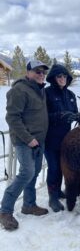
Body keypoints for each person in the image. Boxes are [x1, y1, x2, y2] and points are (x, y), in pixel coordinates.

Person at [0, 59, 49, 231]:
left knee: (34, 172)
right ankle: (5, 210)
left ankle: (29, 205)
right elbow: (12, 118)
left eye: (43, 72)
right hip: (25, 141)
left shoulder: (40, 90)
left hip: (39, 141)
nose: (41, 75)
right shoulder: (19, 90)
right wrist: (29, 139)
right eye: (37, 71)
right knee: (27, 172)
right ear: (28, 73)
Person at [45, 64, 80, 212]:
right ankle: (53, 196)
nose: (62, 79)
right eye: (59, 76)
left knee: (62, 167)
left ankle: (59, 191)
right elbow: (42, 116)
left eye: (65, 76)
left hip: (66, 139)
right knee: (53, 168)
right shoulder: (46, 93)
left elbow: (75, 113)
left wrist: (78, 116)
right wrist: (59, 116)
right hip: (50, 138)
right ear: (53, 78)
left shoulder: (71, 96)